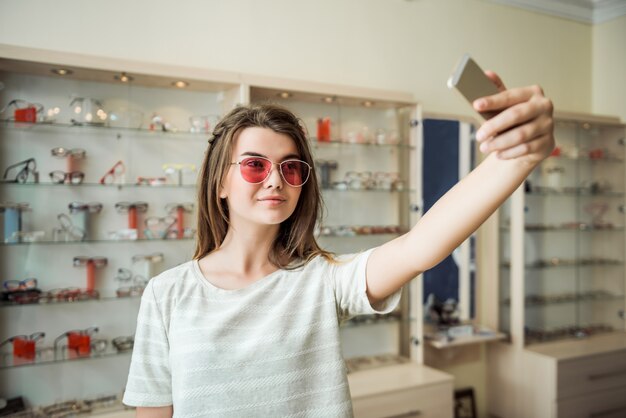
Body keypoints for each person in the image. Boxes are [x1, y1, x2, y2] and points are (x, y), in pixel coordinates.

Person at [122, 71, 554, 417]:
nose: (275, 179)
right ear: (220, 181)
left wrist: (514, 158)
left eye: (291, 168)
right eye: (255, 165)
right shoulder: (167, 294)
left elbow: (421, 246)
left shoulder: (321, 280)